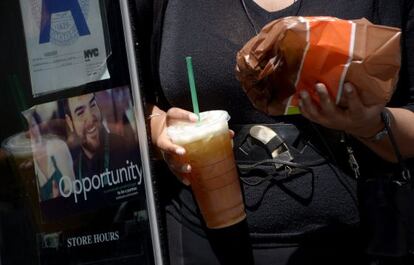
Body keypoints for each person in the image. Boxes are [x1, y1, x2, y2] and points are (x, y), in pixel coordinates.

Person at [134, 0, 414, 264]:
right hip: (198, 244)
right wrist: (159, 130)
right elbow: (109, 106)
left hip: (356, 243)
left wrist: (369, 124)